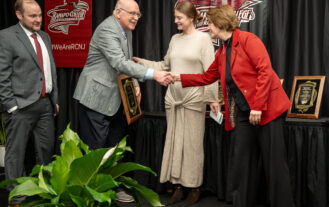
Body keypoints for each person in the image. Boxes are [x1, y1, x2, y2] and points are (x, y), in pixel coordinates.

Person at [173, 5, 295, 207]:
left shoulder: (249, 40)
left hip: (267, 110)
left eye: (209, 24)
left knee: (275, 167)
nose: (208, 28)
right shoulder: (222, 51)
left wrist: (257, 106)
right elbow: (206, 77)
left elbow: (265, 71)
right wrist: (178, 77)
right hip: (244, 114)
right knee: (241, 165)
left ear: (220, 23)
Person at [73, 0, 173, 203]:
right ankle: (93, 195)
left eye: (138, 14)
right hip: (96, 100)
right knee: (97, 151)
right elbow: (118, 61)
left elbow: (125, 62)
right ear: (118, 12)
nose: (136, 17)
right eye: (132, 13)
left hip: (116, 101)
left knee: (114, 147)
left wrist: (135, 83)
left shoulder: (126, 29)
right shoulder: (107, 30)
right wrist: (153, 75)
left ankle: (113, 188)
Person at [133, 1, 219, 205]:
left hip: (194, 99)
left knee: (192, 145)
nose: (175, 21)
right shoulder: (174, 39)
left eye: (179, 17)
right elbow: (165, 66)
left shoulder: (203, 39)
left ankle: (194, 187)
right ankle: (178, 186)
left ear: (191, 18)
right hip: (173, 99)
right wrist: (142, 63)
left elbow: (210, 72)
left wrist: (212, 99)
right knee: (175, 144)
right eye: (174, 17)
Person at [0, 0, 59, 206]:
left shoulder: (45, 37)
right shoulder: (6, 37)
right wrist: (11, 106)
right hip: (20, 108)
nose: (38, 20)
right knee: (16, 155)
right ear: (19, 15)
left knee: (46, 151)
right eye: (33, 16)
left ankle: (43, 193)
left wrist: (55, 99)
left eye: (40, 15)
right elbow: (2, 75)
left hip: (45, 105)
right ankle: (16, 197)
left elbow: (50, 69)